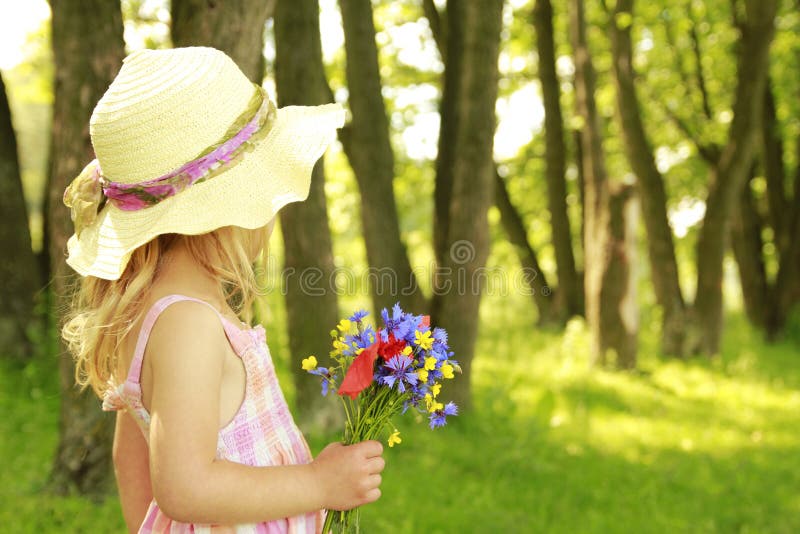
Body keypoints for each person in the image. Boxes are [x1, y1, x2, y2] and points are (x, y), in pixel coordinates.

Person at [60, 47, 385, 534]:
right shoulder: (189, 324)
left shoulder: (157, 314)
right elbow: (185, 487)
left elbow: (133, 458)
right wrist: (319, 483)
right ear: (223, 214)